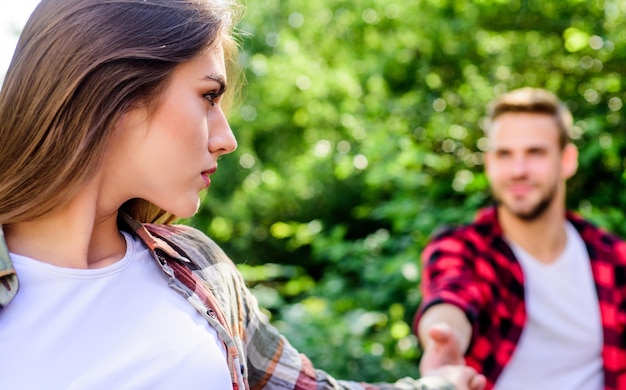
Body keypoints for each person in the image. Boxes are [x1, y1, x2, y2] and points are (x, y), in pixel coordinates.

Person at [0, 0, 486, 389]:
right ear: (116, 92)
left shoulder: (197, 268)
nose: (227, 138)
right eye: (208, 96)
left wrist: (440, 384)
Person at [414, 87, 626, 390]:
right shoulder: (466, 249)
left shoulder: (614, 260)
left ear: (566, 160)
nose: (518, 170)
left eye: (535, 153)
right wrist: (444, 339)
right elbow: (450, 294)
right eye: (504, 154)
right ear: (488, 164)